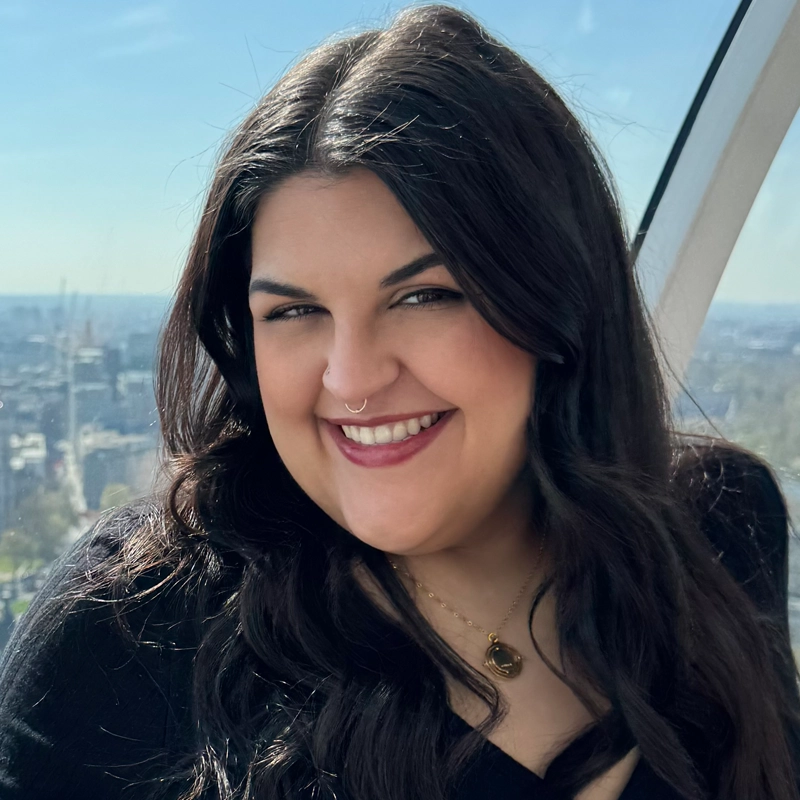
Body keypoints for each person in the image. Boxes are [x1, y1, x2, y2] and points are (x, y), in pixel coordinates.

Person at [0, 5, 798, 799]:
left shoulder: (716, 526)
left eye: (423, 296)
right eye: (293, 311)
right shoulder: (134, 622)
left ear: (556, 301)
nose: (350, 378)